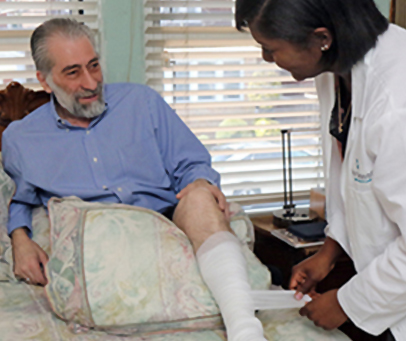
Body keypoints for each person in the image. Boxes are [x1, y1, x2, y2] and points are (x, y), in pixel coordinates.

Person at [3, 19, 268, 341]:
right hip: (99, 247)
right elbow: (20, 198)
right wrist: (20, 239)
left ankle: (244, 329)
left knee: (199, 197)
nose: (91, 82)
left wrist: (201, 182)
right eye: (73, 73)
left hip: (167, 225)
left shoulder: (142, 102)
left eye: (94, 66)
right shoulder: (21, 138)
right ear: (45, 81)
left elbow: (193, 163)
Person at [236, 0, 406, 339]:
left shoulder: (396, 100)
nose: (267, 60)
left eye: (270, 49)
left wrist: (346, 304)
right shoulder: (334, 70)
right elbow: (348, 179)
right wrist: (329, 252)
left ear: (321, 38)